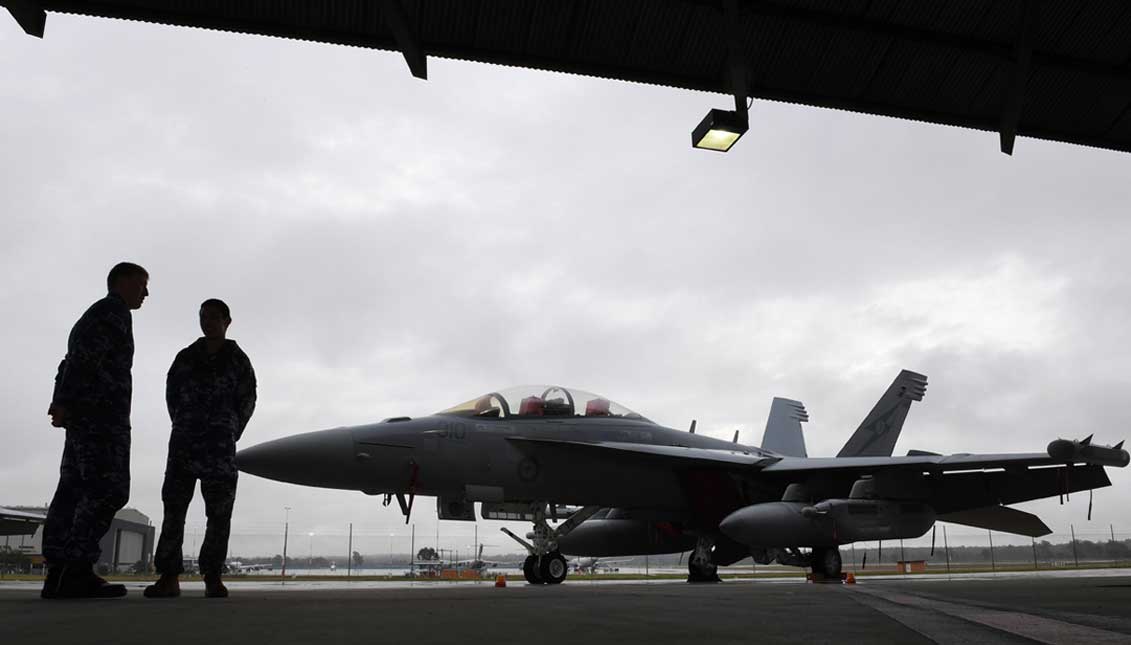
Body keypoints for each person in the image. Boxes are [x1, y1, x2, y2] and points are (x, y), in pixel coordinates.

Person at [43, 262, 149, 599]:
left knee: (73, 490)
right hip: (101, 418)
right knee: (109, 489)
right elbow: (82, 360)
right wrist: (65, 401)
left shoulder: (99, 315)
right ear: (123, 281)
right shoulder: (111, 313)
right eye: (141, 285)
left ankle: (59, 573)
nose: (146, 293)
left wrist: (62, 401)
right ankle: (75, 570)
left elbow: (70, 361)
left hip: (84, 416)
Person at [146, 299, 256, 599]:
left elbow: (247, 400)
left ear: (227, 322)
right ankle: (169, 577)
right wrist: (184, 423)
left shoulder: (238, 360)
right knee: (174, 510)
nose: (207, 322)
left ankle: (213, 576)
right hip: (183, 445)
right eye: (203, 317)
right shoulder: (185, 357)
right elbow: (172, 396)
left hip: (219, 448)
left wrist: (230, 430)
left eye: (213, 317)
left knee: (219, 514)